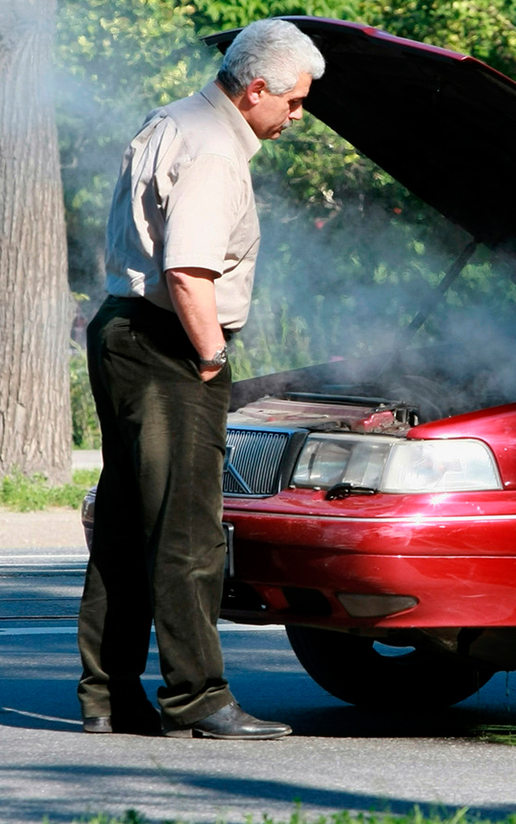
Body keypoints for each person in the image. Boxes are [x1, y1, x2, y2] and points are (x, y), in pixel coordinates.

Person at [78, 19, 325, 740]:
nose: (297, 115)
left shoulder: (175, 117)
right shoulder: (218, 150)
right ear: (257, 90)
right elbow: (188, 271)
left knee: (125, 527)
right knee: (188, 534)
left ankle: (108, 696)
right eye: (294, 102)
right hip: (168, 347)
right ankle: (198, 699)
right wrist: (212, 359)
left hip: (120, 332)